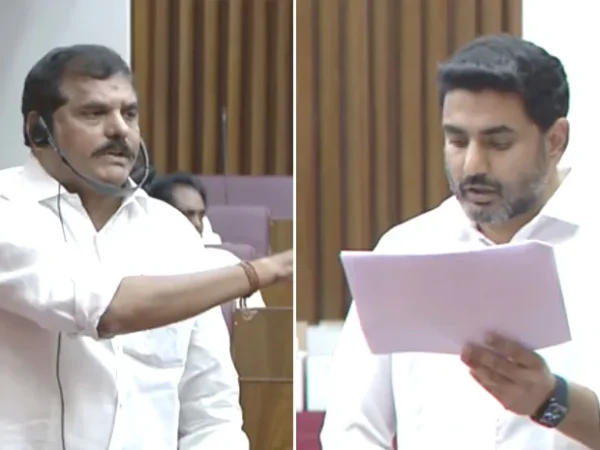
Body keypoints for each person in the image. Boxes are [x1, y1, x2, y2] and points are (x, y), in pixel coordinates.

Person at [0, 44, 292, 450]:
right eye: (94, 113)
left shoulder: (173, 232)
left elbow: (210, 409)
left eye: (130, 113)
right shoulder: (8, 211)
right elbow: (104, 309)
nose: (119, 130)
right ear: (37, 129)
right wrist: (259, 272)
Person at [320, 34, 600, 449]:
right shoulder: (406, 251)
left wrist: (552, 400)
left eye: (498, 143)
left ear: (555, 140)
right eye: (457, 140)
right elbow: (351, 428)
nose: (472, 165)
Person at [148, 172, 265, 308]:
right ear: (160, 215)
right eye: (187, 214)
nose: (198, 224)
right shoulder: (143, 267)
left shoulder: (229, 264)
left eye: (201, 215)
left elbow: (254, 319)